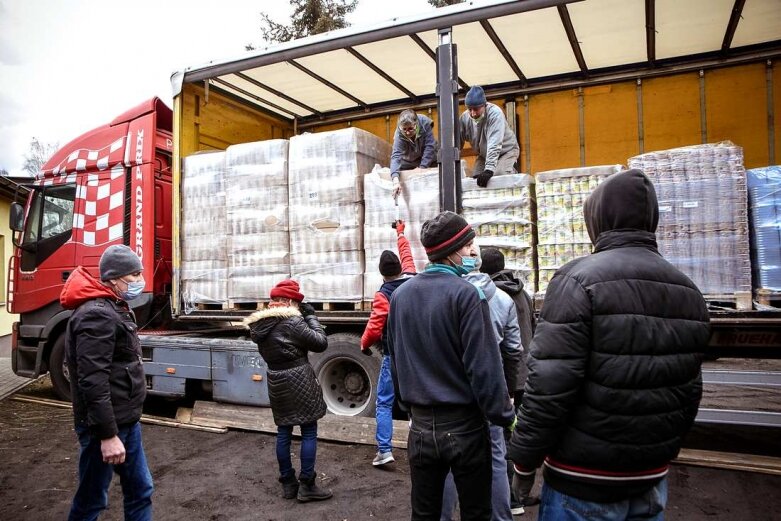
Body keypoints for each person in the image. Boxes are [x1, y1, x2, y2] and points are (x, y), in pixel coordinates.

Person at [507, 170, 710, 520]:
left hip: (582, 483)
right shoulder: (689, 290)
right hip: (650, 479)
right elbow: (688, 389)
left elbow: (549, 387)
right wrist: (660, 453)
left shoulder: (577, 281)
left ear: (597, 220)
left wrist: (524, 464)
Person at [387, 211, 516, 520]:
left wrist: (410, 407)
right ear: (455, 250)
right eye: (470, 245)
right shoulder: (467, 295)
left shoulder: (400, 295)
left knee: (425, 514)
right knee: (476, 512)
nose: (474, 252)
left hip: (419, 429)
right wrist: (505, 417)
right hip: (465, 428)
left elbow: (394, 359)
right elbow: (484, 369)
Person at [61, 244, 153, 520]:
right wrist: (107, 435)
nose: (139, 281)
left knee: (140, 491)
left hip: (125, 420)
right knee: (92, 501)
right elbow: (92, 381)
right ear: (114, 278)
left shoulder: (112, 307)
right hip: (105, 428)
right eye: (134, 275)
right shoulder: (96, 314)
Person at [440, 259, 522, 521]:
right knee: (497, 457)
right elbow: (513, 351)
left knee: (451, 461)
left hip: (455, 390)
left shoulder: (450, 295)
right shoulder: (503, 299)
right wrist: (507, 392)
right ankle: (501, 517)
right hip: (492, 387)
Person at [244, 279, 333, 503]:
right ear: (290, 300)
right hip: (299, 377)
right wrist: (311, 316)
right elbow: (320, 342)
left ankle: (288, 484)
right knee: (309, 431)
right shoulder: (292, 322)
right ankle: (307, 485)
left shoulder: (259, 326)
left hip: (276, 379)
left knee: (284, 431)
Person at [479, 247, 539, 514]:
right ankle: (521, 492)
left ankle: (511, 501)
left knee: (500, 438)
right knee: (523, 434)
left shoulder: (491, 297)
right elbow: (535, 331)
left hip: (507, 377)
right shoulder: (522, 292)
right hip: (527, 375)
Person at [360, 219, 417, 467]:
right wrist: (401, 233)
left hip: (394, 355)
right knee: (417, 401)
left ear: (382, 273)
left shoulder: (384, 294)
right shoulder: (414, 281)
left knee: (384, 402)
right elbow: (408, 256)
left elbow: (374, 326)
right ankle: (420, 445)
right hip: (418, 355)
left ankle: (384, 450)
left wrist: (364, 344)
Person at [459, 85, 520, 188]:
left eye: (476, 109)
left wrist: (489, 169)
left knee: (498, 177)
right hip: (484, 155)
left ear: (484, 105)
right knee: (476, 181)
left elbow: (494, 144)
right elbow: (456, 142)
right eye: (470, 109)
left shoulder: (495, 114)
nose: (473, 113)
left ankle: (512, 172)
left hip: (506, 151)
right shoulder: (464, 118)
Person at [390, 109, 439, 199]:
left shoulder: (424, 123)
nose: (408, 132)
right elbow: (396, 156)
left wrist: (422, 168)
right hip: (409, 161)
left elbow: (429, 146)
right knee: (401, 171)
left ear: (416, 124)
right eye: (404, 130)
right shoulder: (398, 134)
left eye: (410, 129)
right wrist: (395, 180)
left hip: (428, 158)